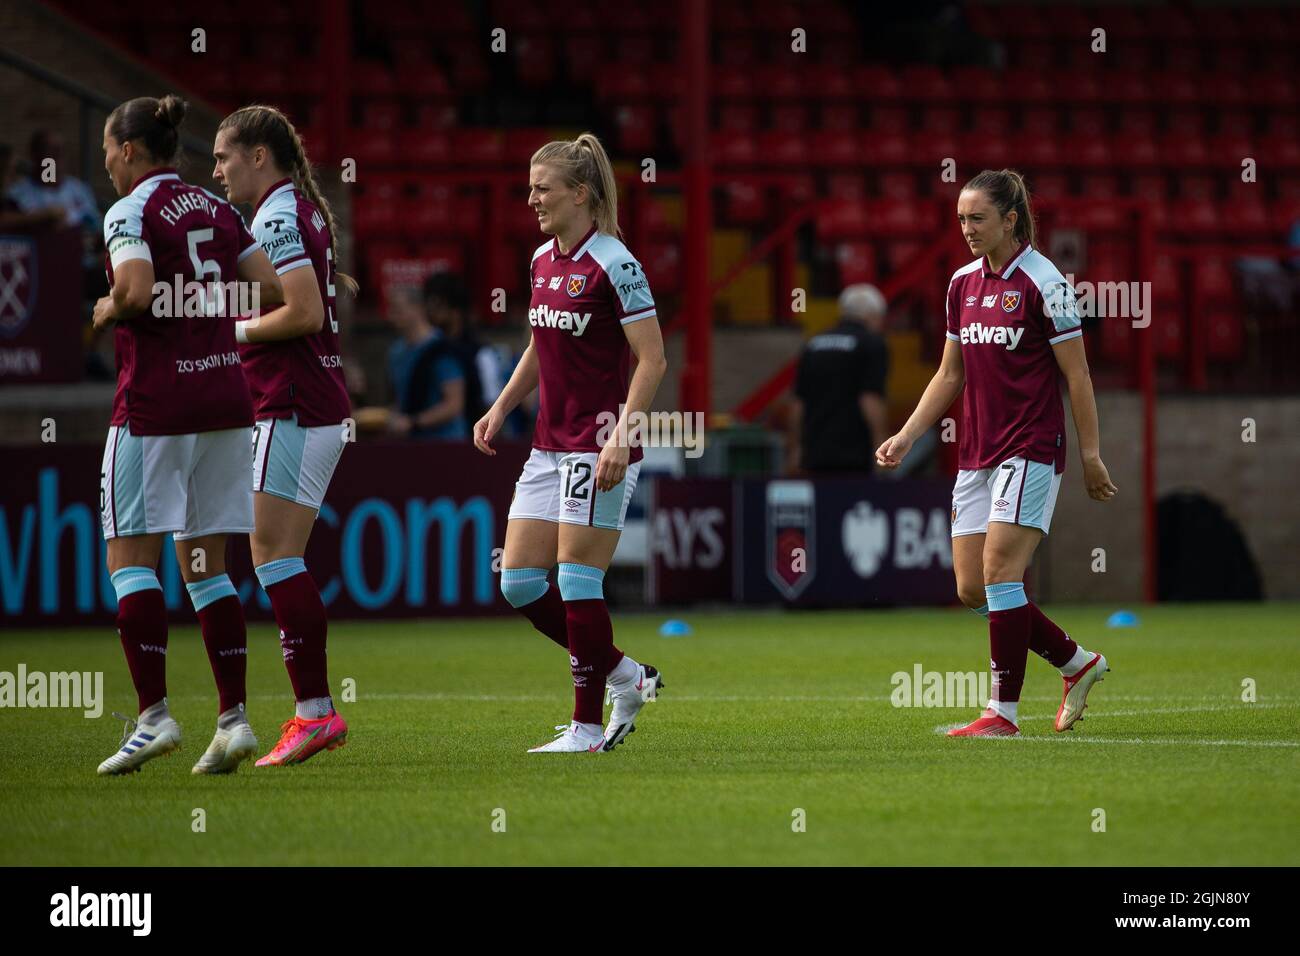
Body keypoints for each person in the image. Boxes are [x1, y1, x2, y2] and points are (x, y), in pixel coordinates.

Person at [876, 168, 1117, 738]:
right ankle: (1076, 662)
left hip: (1031, 445)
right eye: (961, 218)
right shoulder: (961, 283)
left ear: (1011, 219)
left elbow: (1077, 375)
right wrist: (908, 434)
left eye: (977, 218)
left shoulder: (1045, 281)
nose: (966, 229)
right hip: (977, 451)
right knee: (970, 588)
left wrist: (1090, 454)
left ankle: (1001, 715)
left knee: (1002, 572)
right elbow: (949, 373)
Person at [92, 95, 283, 775]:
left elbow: (137, 292)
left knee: (132, 564)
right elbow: (270, 292)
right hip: (226, 402)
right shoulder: (220, 209)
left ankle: (153, 718)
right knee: (205, 568)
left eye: (108, 150)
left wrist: (102, 308)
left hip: (156, 406)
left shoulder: (130, 210)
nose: (106, 162)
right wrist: (204, 309)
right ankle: (233, 719)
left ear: (129, 151)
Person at [473, 132, 669, 753]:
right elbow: (540, 343)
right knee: (520, 583)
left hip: (597, 445)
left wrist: (620, 437)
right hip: (547, 444)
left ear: (579, 193)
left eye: (542, 188)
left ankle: (586, 726)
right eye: (530, 187)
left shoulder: (616, 262)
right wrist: (502, 405)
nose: (531, 198)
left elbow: (653, 358)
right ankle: (627, 676)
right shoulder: (540, 260)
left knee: (578, 578)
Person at [212, 104, 355, 766]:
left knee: (274, 556)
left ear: (258, 156)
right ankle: (313, 712)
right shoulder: (296, 209)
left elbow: (302, 311)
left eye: (223, 156)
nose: (217, 170)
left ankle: (314, 713)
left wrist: (225, 332)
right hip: (308, 402)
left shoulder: (273, 216)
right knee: (280, 556)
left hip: (292, 404)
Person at [791, 283, 890, 474]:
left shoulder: (813, 344)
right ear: (872, 315)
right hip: (854, 454)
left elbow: (798, 403)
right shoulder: (872, 344)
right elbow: (870, 399)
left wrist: (795, 448)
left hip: (814, 453)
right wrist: (881, 446)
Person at [385, 285, 467, 439]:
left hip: (445, 442)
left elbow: (454, 404)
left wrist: (413, 422)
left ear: (417, 309)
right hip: (412, 443)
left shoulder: (442, 349)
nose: (392, 315)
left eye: (398, 309)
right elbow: (398, 398)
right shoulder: (395, 352)